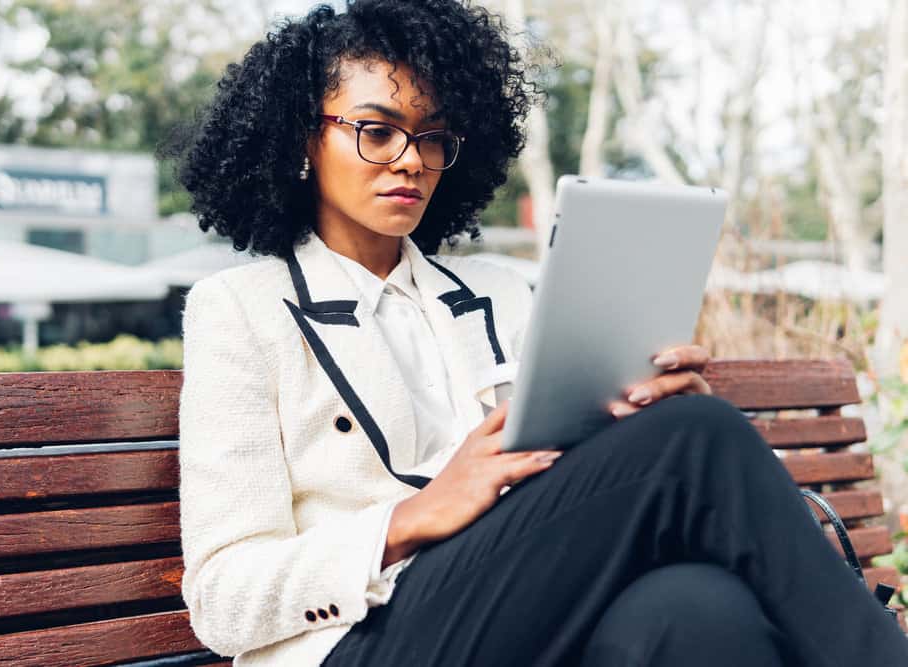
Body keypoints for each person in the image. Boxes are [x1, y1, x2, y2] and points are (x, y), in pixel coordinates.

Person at [162, 1, 908, 665]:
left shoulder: (498, 290)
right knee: (699, 435)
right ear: (303, 137)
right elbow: (223, 598)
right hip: (361, 638)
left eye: (431, 137)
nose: (410, 161)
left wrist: (643, 411)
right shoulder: (241, 310)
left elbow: (579, 489)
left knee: (695, 610)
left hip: (524, 606)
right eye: (376, 130)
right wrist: (408, 520)